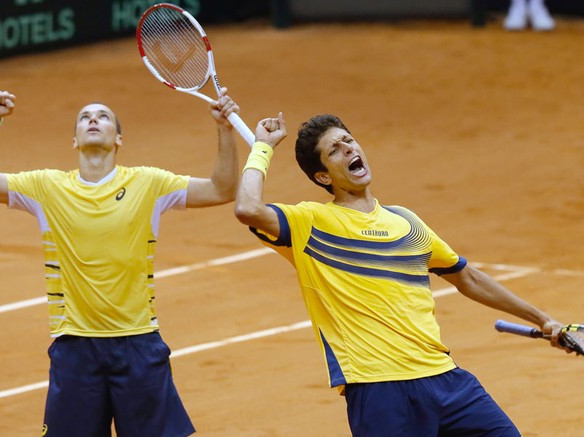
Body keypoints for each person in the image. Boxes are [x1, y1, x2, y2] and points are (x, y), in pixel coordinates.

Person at [234, 112, 565, 436]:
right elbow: (248, 208)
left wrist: (541, 318)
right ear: (323, 177)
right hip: (378, 389)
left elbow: (467, 277)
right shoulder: (310, 222)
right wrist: (262, 148)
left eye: (348, 140)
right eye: (334, 150)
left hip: (445, 379)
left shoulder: (406, 223)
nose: (348, 149)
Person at [0, 88, 241, 436]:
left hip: (139, 344)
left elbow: (222, 188)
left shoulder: (149, 183)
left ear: (119, 139)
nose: (93, 119)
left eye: (103, 116)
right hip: (75, 347)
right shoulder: (46, 188)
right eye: (84, 117)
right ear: (74, 141)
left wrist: (225, 130)